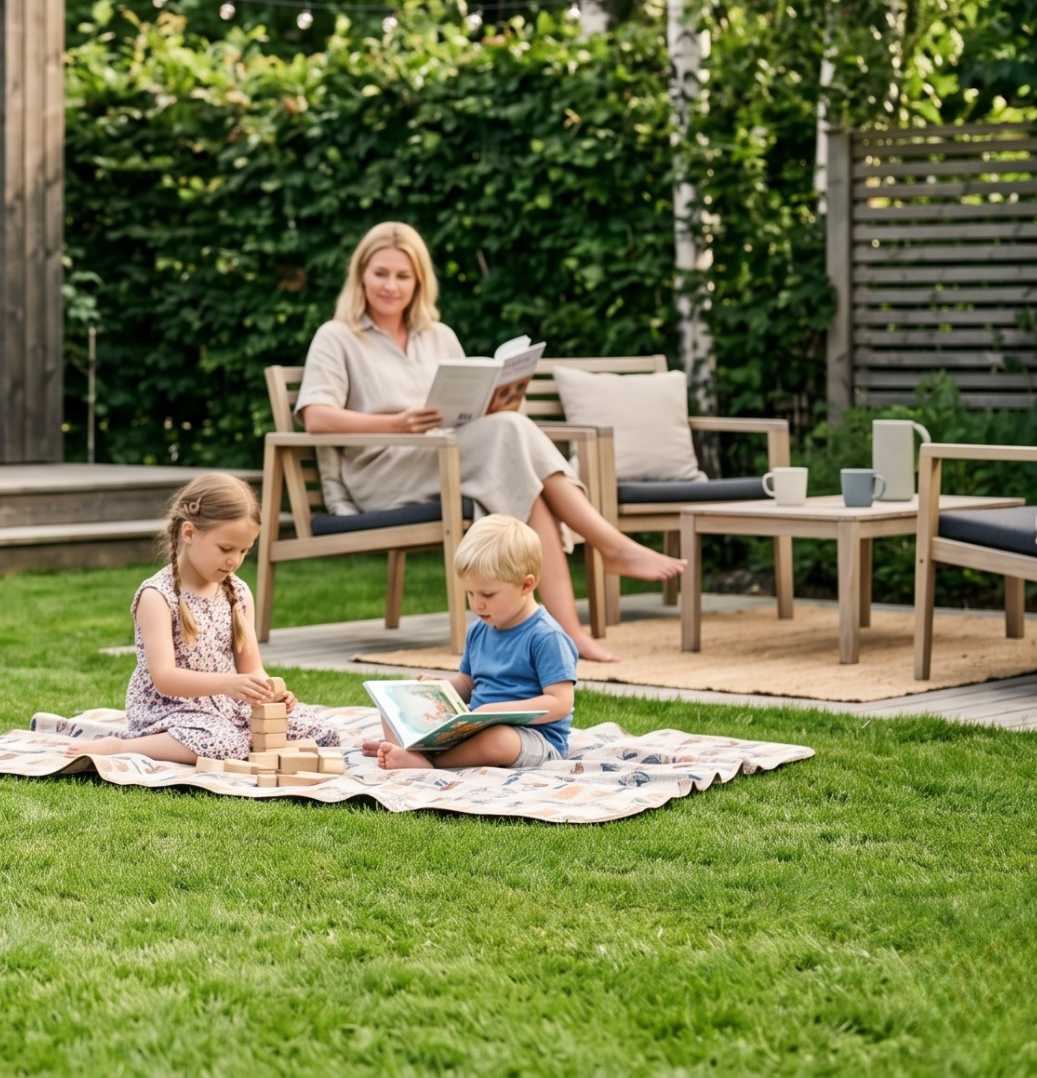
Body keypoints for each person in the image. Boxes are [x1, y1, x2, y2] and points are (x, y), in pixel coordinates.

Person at [293, 221, 684, 663]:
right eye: (380, 273)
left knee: (519, 464)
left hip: (449, 460)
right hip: (383, 474)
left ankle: (569, 630)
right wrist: (397, 423)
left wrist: (494, 402)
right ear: (361, 275)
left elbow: (464, 405)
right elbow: (316, 416)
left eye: (403, 276)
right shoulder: (338, 336)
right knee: (510, 436)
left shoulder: (438, 336)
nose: (391, 286)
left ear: (419, 281)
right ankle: (609, 546)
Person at [70, 474, 346, 763]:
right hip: (173, 710)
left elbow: (252, 668)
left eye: (244, 550)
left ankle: (243, 740)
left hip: (228, 708)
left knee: (323, 732)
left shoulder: (238, 593)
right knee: (224, 744)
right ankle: (123, 746)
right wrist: (227, 684)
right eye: (226, 549)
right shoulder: (157, 596)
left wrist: (272, 694)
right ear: (189, 533)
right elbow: (165, 678)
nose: (234, 561)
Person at [375, 515, 577, 770]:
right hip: (476, 729)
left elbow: (560, 702)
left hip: (533, 739)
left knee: (499, 739)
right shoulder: (479, 630)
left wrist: (496, 712)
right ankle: (405, 749)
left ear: (526, 585)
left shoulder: (546, 636)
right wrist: (438, 691)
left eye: (487, 594)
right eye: (470, 593)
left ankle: (428, 763)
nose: (477, 604)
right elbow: (467, 684)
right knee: (393, 707)